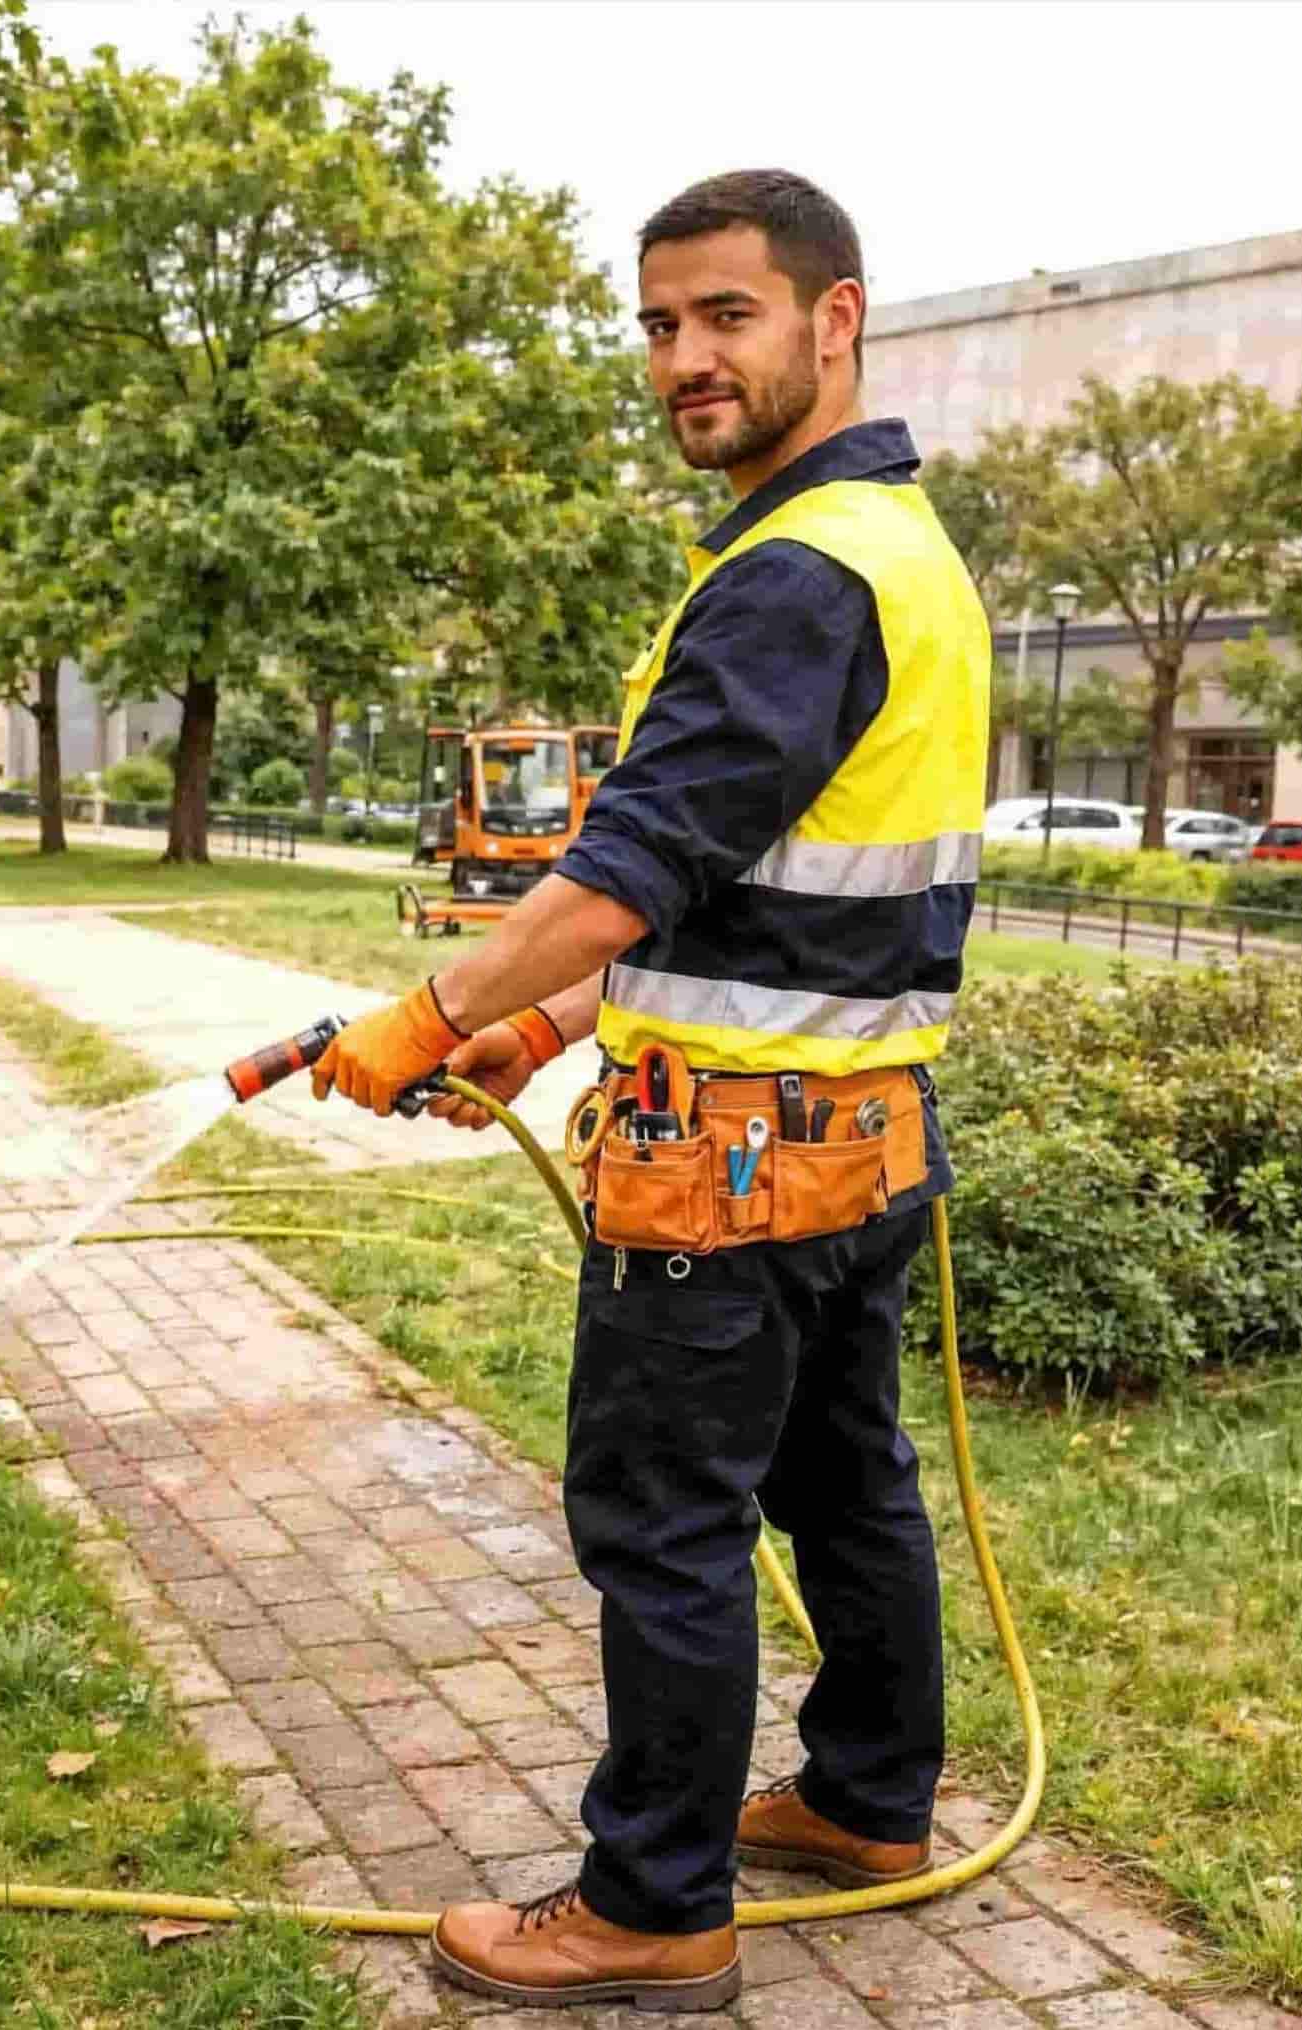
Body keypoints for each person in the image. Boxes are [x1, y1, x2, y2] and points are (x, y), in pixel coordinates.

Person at [312, 167, 990, 2013]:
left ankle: (655, 1899)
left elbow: (627, 867)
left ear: (835, 321)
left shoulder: (796, 576)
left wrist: (425, 1005)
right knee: (849, 1485)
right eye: (659, 326)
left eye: (728, 317)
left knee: (664, 1523)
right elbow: (744, 896)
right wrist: (536, 1034)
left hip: (730, 1180)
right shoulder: (894, 553)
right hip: (859, 1141)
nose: (684, 359)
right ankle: (867, 1801)